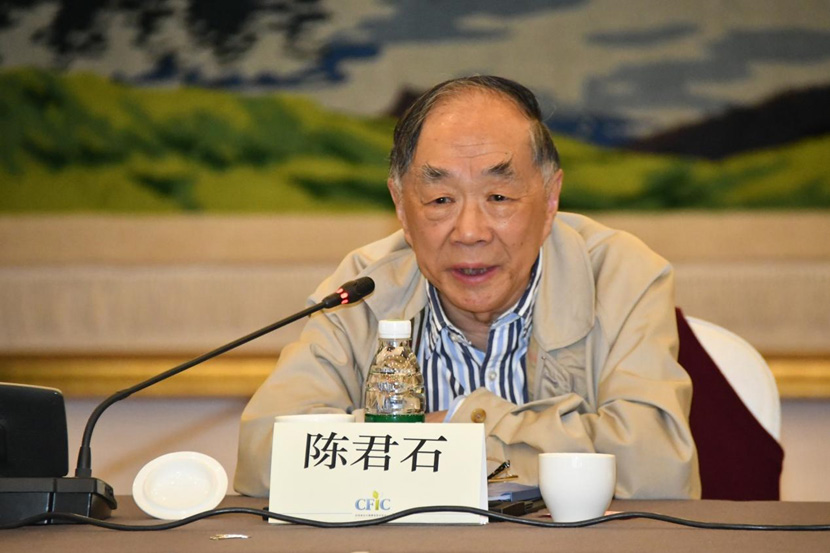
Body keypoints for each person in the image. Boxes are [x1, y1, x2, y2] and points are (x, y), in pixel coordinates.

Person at [234, 76, 701, 499]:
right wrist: (494, 443)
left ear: (550, 199)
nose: (470, 231)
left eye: (499, 197)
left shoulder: (619, 274)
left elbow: (657, 468)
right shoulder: (365, 289)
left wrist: (456, 427)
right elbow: (264, 457)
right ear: (401, 207)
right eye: (441, 199)